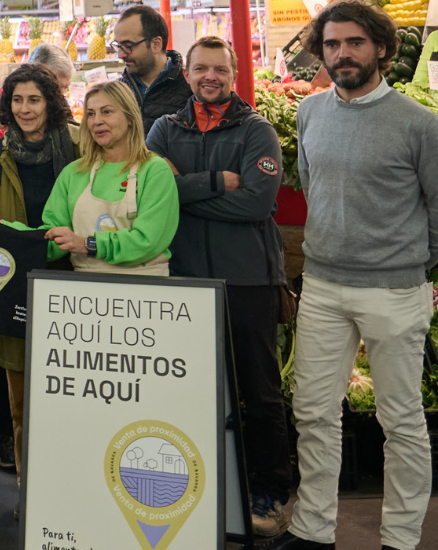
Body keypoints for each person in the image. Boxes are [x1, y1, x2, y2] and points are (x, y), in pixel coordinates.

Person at [272, 4, 438, 549]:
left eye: (355, 43)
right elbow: (315, 187)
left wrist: (409, 258)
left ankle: (400, 539)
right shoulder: (310, 113)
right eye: (333, 44)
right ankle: (313, 530)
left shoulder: (420, 125)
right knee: (313, 413)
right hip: (321, 287)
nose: (343, 53)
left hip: (394, 291)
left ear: (381, 49)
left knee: (400, 422)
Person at [143, 35, 294, 539]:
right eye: (200, 68)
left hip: (248, 278)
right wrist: (215, 182)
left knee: (260, 392)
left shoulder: (257, 132)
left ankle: (269, 491)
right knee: (189, 392)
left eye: (220, 69)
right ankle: (199, 487)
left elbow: (255, 205)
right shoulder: (164, 129)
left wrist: (182, 193)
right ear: (185, 73)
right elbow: (149, 192)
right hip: (183, 281)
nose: (210, 76)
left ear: (233, 74)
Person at [0, 64, 80, 475]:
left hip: (75, 279)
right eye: (17, 99)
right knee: (21, 400)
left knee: (71, 390)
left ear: (50, 102)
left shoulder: (81, 145)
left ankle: (72, 481)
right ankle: (31, 488)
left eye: (34, 99)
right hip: (16, 286)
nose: (25, 108)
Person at [10, 81, 178, 276]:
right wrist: (2, 231)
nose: (97, 121)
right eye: (90, 114)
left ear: (130, 117)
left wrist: (86, 244)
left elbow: (147, 241)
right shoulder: (74, 173)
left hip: (144, 292)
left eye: (106, 112)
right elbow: (53, 240)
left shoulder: (154, 171)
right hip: (87, 294)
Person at [114, 6, 192, 137]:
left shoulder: (190, 88)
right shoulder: (117, 92)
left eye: (128, 46)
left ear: (156, 44)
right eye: (118, 46)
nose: (120, 54)